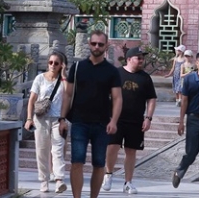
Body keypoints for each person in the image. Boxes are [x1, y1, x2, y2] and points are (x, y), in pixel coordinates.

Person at [59, 30, 122, 198]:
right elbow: (67, 94)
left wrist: (114, 121)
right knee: (76, 162)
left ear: (106, 46)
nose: (97, 47)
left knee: (99, 164)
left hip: (102, 123)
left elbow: (117, 98)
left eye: (100, 44)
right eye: (94, 43)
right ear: (89, 44)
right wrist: (62, 118)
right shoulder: (78, 67)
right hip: (79, 121)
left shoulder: (112, 71)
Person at [104, 46, 157, 195]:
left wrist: (148, 118)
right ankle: (108, 174)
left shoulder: (145, 77)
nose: (141, 60)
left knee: (131, 151)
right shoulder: (116, 74)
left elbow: (151, 99)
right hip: (116, 119)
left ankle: (128, 182)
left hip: (136, 120)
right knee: (112, 146)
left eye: (142, 58)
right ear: (129, 59)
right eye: (138, 58)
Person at [172, 51, 199, 195]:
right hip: (193, 119)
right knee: (192, 151)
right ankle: (179, 171)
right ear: (197, 63)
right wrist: (181, 122)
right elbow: (184, 101)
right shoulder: (189, 79)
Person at [25, 51, 67, 194]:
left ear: (61, 65)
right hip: (41, 119)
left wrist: (64, 74)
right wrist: (29, 118)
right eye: (50, 62)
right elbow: (31, 100)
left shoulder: (63, 80)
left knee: (57, 149)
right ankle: (44, 180)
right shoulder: (39, 79)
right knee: (42, 150)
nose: (52, 65)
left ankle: (59, 179)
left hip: (58, 119)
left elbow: (68, 97)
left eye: (56, 63)